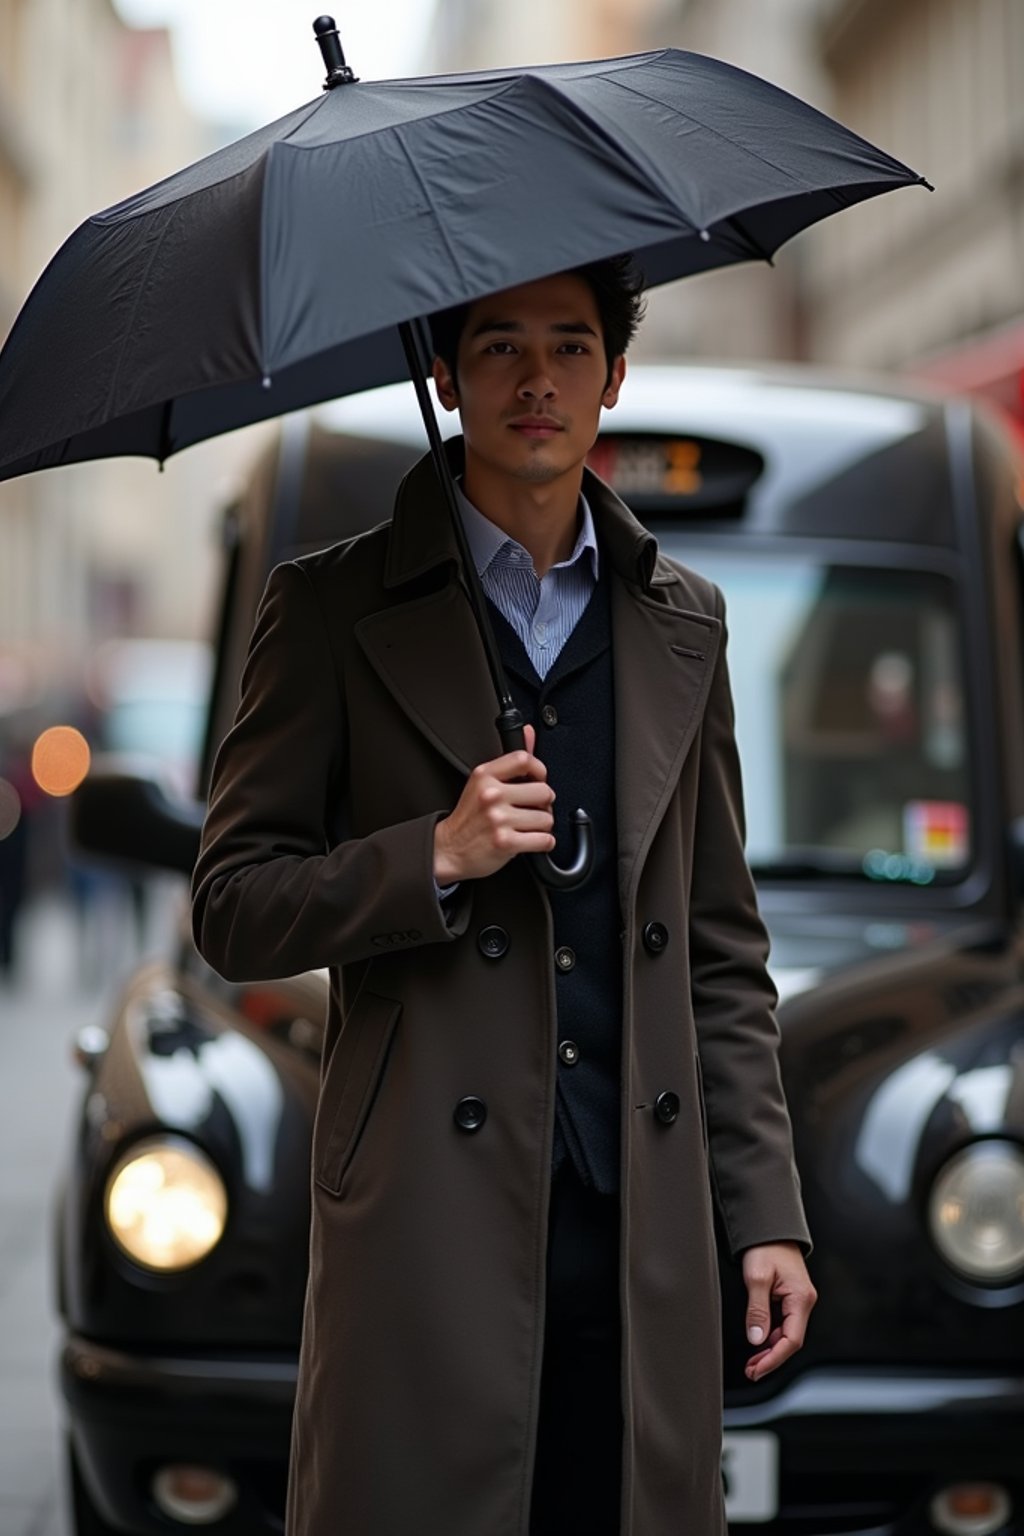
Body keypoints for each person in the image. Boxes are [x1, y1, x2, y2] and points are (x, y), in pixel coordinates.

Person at [191, 256, 816, 1536]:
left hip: (636, 1230)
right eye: (499, 348)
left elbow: (718, 955)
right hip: (428, 1224)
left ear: (614, 377)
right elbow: (234, 905)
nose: (538, 380)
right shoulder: (327, 609)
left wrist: (765, 1216)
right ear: (447, 374)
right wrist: (432, 852)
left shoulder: (680, 623)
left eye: (571, 348)